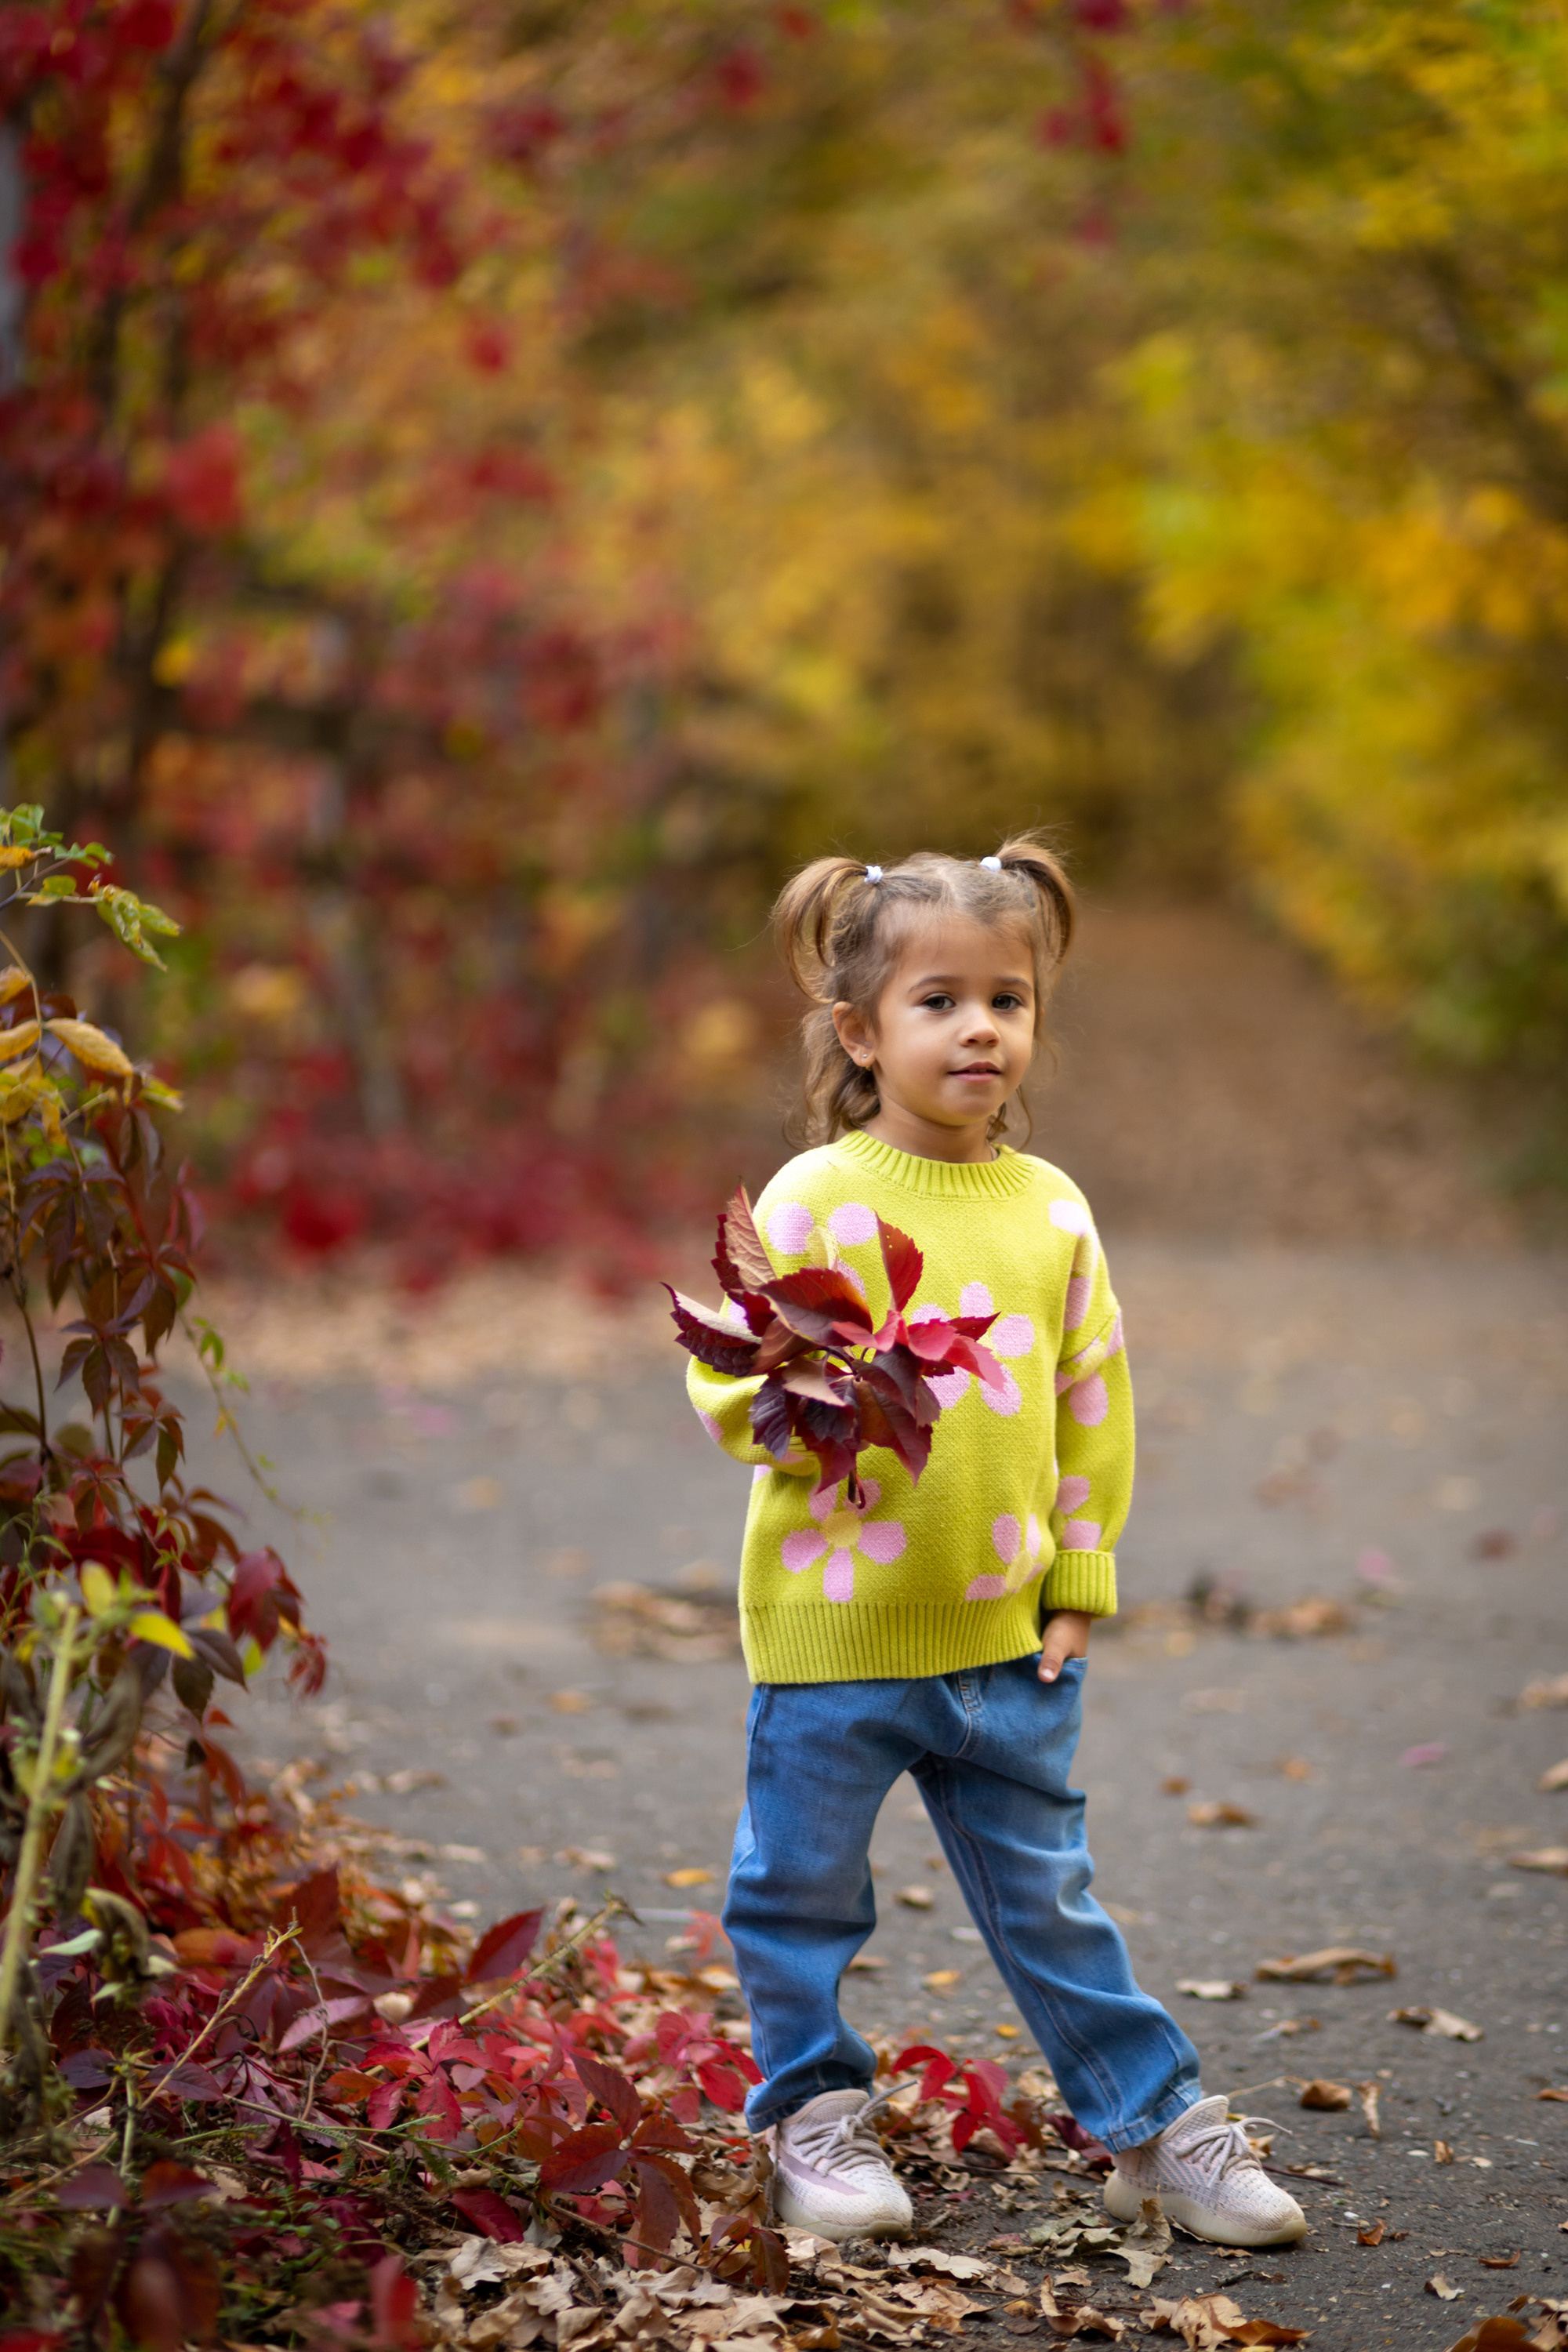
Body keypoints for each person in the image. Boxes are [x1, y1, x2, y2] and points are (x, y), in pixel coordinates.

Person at [685, 840, 1307, 2250]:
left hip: (1009, 1644)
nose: (980, 1028)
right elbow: (733, 1380)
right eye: (939, 1001)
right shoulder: (814, 1200)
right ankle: (811, 2119)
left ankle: (1155, 2130)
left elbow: (1096, 1406)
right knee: (796, 1897)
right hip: (834, 1638)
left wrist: (1077, 1584)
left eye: (1008, 1001)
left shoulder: (1051, 1209)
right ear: (860, 1031)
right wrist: (808, 1396)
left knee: (1053, 1904)